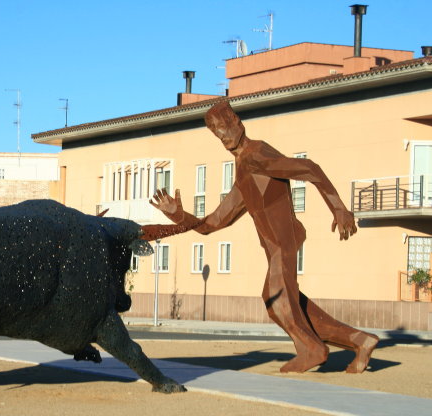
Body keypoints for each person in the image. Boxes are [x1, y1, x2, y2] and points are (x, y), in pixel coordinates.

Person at [142, 100, 378, 373]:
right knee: (291, 305)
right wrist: (178, 215)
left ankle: (312, 349)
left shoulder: (257, 155)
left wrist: (339, 209)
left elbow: (309, 168)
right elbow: (213, 223)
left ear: (237, 122)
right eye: (216, 132)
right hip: (276, 247)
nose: (222, 135)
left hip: (284, 242)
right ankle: (360, 340)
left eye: (223, 126)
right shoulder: (244, 169)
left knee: (276, 299)